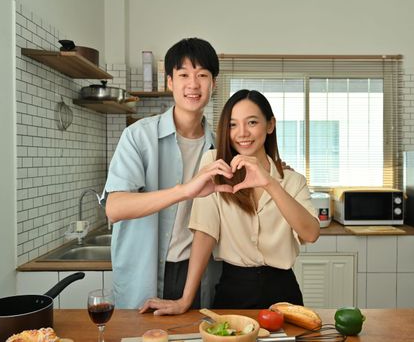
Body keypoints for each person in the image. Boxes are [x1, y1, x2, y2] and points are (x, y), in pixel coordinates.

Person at [139, 89, 320, 315]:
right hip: (233, 291)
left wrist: (270, 183)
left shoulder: (293, 181)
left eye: (252, 122)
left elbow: (310, 234)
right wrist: (185, 300)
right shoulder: (215, 166)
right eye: (233, 125)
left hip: (283, 293)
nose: (242, 133)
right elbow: (205, 234)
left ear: (270, 125)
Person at [101, 38, 233, 309]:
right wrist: (185, 190)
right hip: (144, 275)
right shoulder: (137, 136)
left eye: (202, 75)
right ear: (170, 82)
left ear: (214, 83)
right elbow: (114, 208)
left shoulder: (220, 147)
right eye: (184, 75)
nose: (193, 84)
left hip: (199, 275)